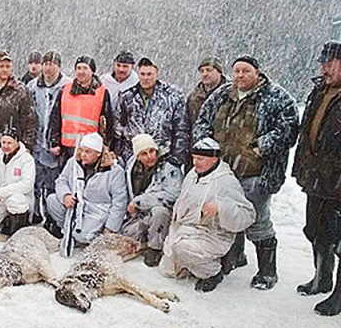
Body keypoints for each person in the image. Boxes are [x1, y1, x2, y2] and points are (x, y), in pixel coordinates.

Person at [194, 54, 299, 290]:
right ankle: (235, 257)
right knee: (226, 216)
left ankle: (267, 271)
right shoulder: (222, 94)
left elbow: (289, 128)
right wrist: (207, 146)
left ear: (257, 72)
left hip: (256, 172)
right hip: (224, 172)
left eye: (245, 71)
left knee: (257, 220)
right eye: (237, 71)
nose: (240, 76)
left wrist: (261, 147)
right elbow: (202, 121)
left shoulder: (276, 97)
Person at [159, 138, 256, 292]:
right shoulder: (194, 173)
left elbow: (248, 215)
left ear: (214, 159)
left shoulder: (226, 181)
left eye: (201, 159)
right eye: (194, 158)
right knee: (167, 270)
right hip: (188, 229)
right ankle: (195, 261)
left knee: (181, 248)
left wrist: (221, 208)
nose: (196, 162)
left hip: (212, 234)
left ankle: (213, 273)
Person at [292, 41, 341, 315]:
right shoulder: (320, 90)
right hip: (318, 178)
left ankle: (339, 296)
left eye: (329, 63)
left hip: (339, 182)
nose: (323, 68)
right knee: (316, 230)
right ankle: (322, 278)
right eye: (322, 62)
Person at [46, 132, 127, 245]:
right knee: (52, 200)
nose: (83, 154)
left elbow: (119, 202)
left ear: (98, 153)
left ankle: (85, 235)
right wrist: (65, 195)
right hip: (76, 205)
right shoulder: (73, 163)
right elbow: (61, 181)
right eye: (82, 150)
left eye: (88, 152)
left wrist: (110, 228)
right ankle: (68, 229)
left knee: (82, 237)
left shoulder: (114, 171)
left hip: (97, 211)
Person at [120, 133, 183, 267]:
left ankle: (155, 248)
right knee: (123, 238)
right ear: (138, 156)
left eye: (152, 151)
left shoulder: (169, 168)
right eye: (144, 153)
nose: (150, 156)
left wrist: (139, 201)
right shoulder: (132, 167)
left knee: (159, 212)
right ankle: (143, 241)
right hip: (139, 215)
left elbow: (173, 195)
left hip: (163, 215)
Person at [114, 57, 189, 167]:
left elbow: (181, 130)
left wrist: (177, 158)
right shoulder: (127, 97)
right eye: (142, 74)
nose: (145, 78)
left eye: (149, 74)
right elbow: (118, 127)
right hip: (133, 159)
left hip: (163, 158)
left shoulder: (173, 97)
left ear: (157, 74)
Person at [27, 50, 71, 224]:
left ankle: (53, 216)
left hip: (57, 144)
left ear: (59, 66)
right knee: (36, 181)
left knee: (55, 182)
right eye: (45, 64)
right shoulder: (32, 86)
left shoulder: (67, 86)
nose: (48, 68)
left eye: (52, 64)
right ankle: (37, 211)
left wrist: (57, 139)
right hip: (37, 142)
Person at [48, 55, 113, 162]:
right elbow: (55, 118)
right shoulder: (65, 90)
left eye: (85, 68)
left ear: (92, 71)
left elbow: (108, 123)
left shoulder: (102, 93)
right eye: (78, 68)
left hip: (90, 149)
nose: (81, 72)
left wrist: (106, 145)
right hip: (66, 149)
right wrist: (54, 141)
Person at [187, 56, 228, 127]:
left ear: (219, 72)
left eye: (209, 70)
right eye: (202, 71)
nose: (205, 74)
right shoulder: (193, 98)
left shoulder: (230, 95)